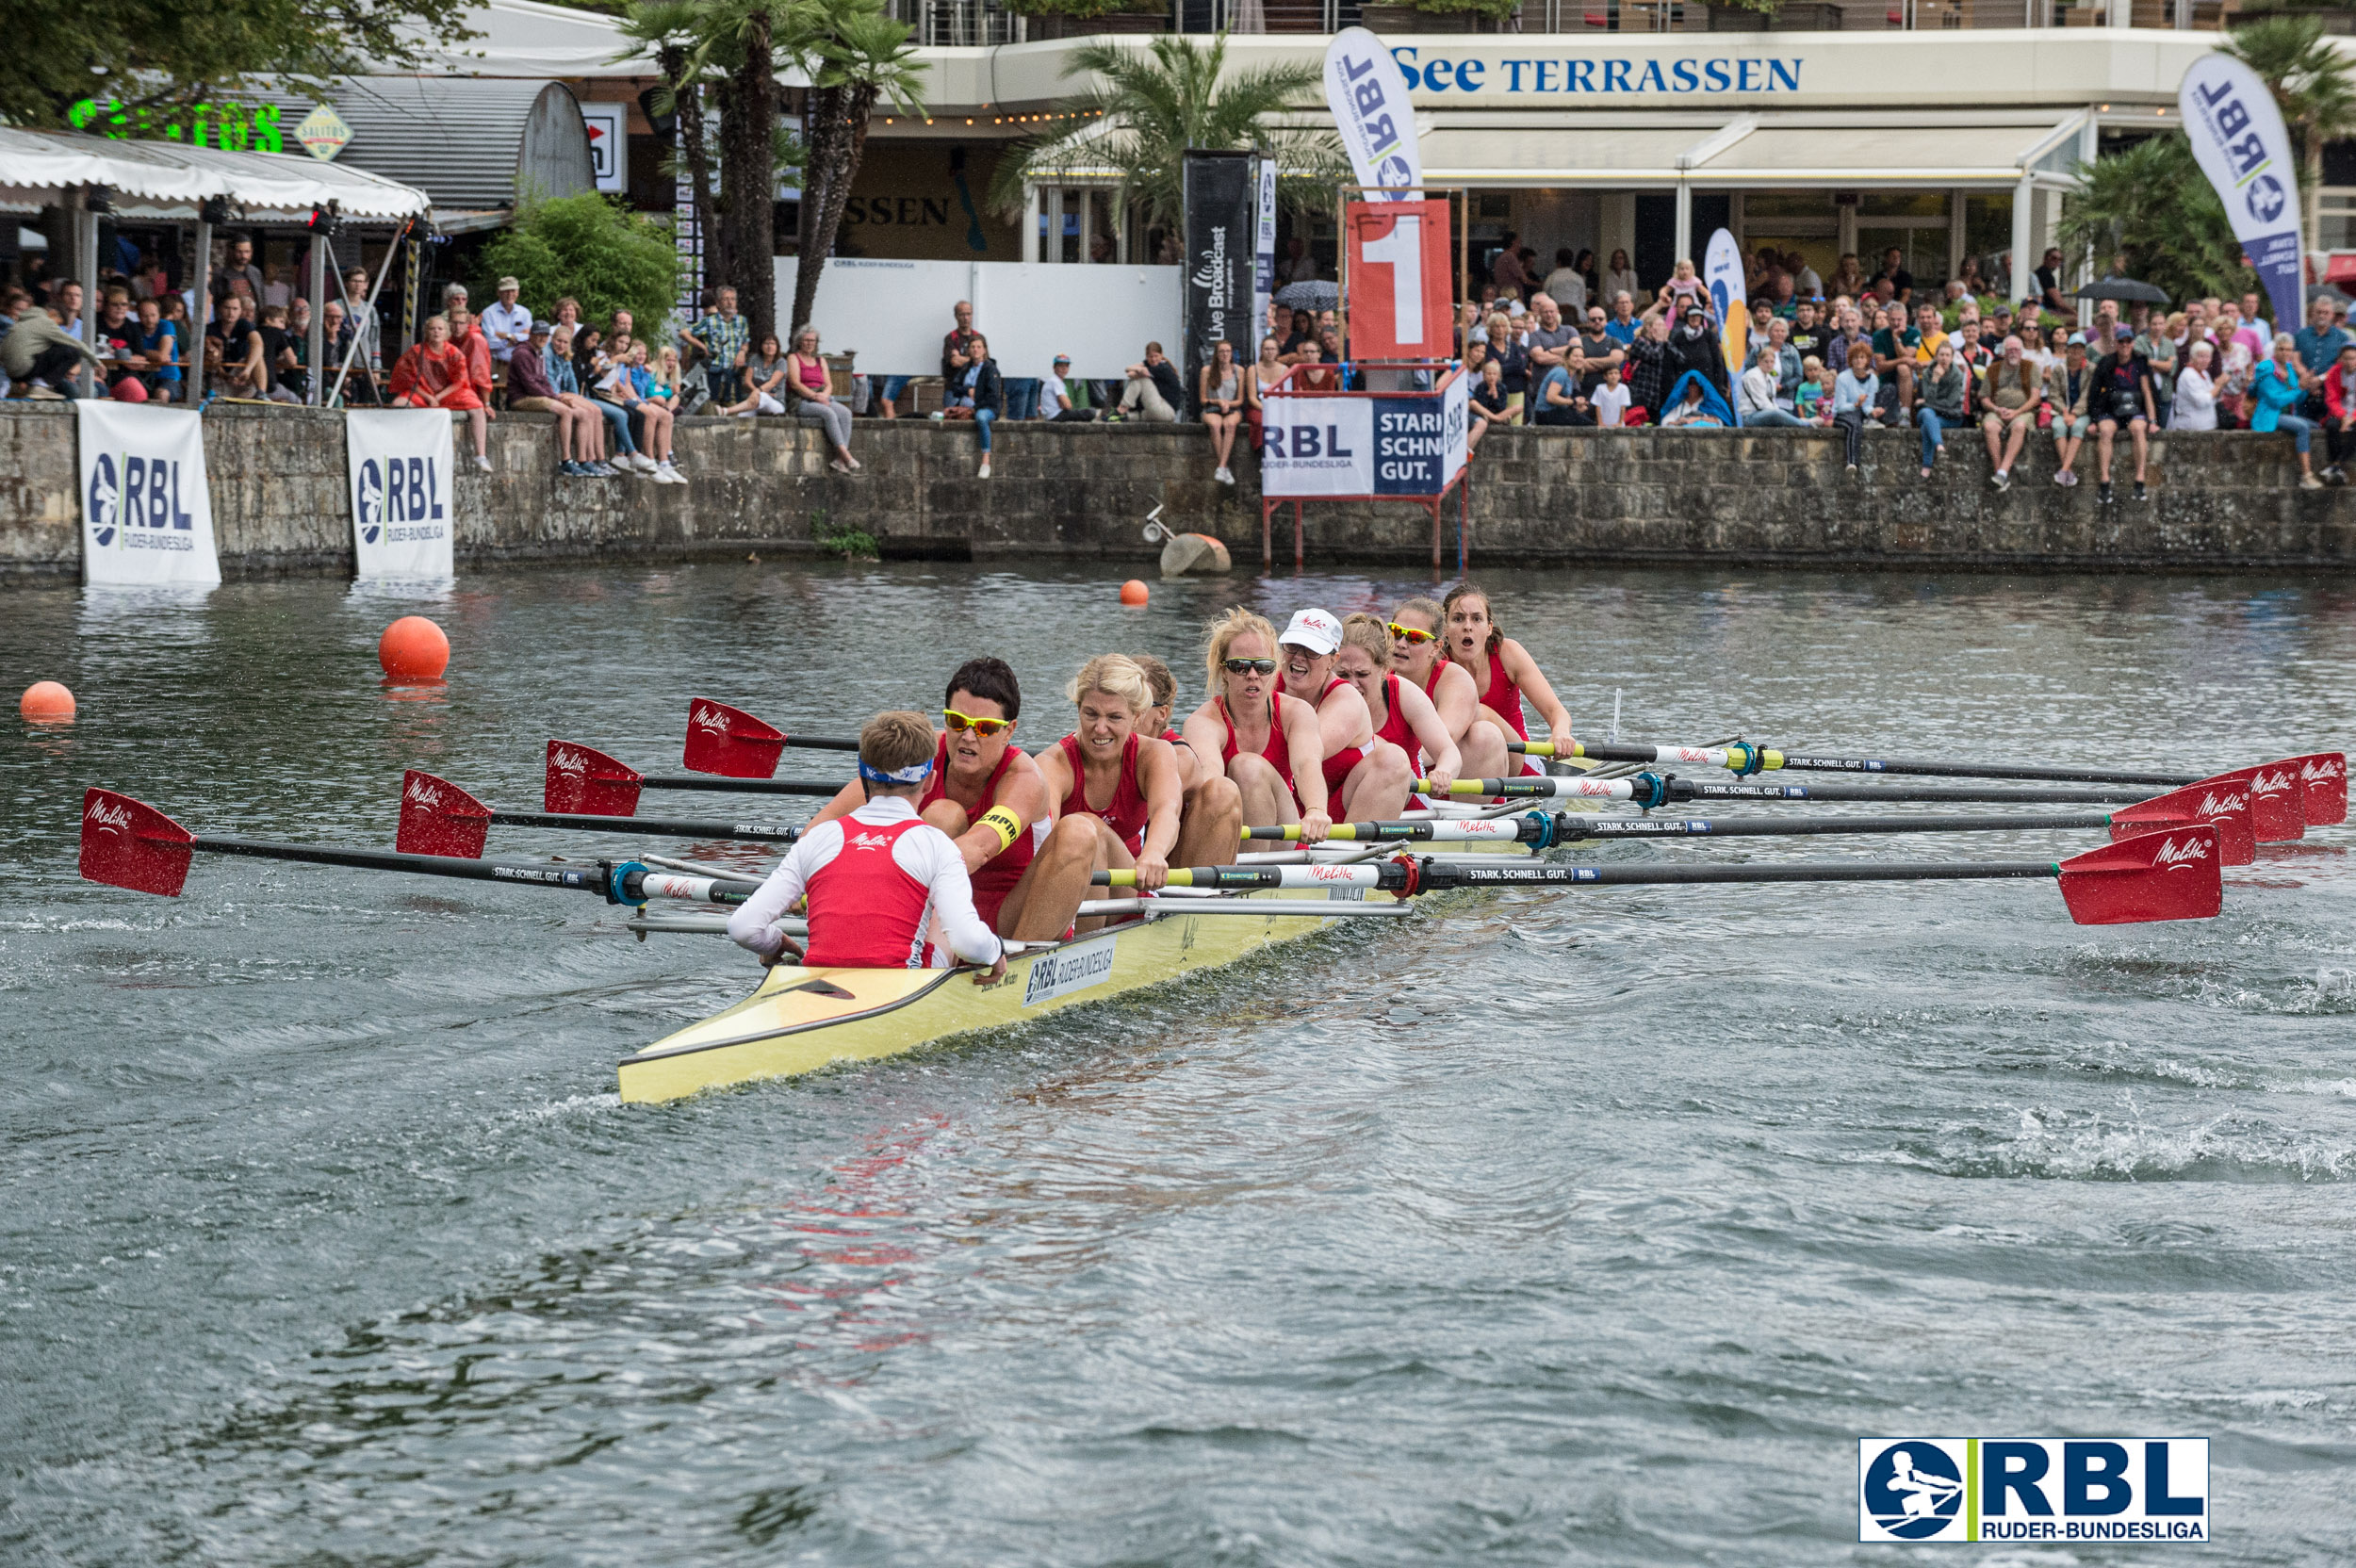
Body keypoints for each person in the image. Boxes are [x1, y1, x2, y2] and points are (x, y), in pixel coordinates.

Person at [726, 710, 1006, 982]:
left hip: (817, 981)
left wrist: (775, 945)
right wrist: (996, 953)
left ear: (863, 778)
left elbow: (742, 928)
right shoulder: (938, 847)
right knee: (938, 905)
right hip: (901, 989)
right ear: (930, 781)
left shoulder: (818, 838)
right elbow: (967, 940)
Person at [1030, 656, 1186, 922]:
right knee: (1084, 831)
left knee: (1091, 829)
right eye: (1090, 714)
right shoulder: (1052, 764)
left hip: (1132, 891)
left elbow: (1167, 810)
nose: (1100, 728)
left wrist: (1154, 853)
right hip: (1070, 895)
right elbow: (1044, 843)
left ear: (1136, 717)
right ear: (1078, 708)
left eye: (1114, 717)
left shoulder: (1155, 754)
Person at [1181, 609, 1332, 839]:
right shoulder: (1203, 722)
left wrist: (1316, 810)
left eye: (1263, 667)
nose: (1252, 675)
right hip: (1227, 833)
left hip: (1283, 833)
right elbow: (1211, 779)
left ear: (1274, 670)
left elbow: (1306, 765)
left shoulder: (1297, 713)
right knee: (1244, 768)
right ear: (1223, 670)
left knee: (1248, 767)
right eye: (1240, 666)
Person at [1272, 608, 1415, 822]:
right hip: (1286, 810)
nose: (1299, 657)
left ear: (1332, 660)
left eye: (1312, 650)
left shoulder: (1346, 700)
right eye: (1293, 646)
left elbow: (1304, 757)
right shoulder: (1263, 681)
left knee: (1393, 759)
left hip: (1336, 818)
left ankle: (1354, 853)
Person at [1437, 582, 1575, 771]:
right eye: (1458, 619)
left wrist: (1560, 732)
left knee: (1477, 712)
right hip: (1454, 765)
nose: (1467, 627)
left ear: (1489, 628)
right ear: (1444, 628)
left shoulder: (1508, 654)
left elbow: (1556, 712)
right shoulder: (1433, 661)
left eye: (1477, 619)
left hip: (1517, 765)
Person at [1336, 614, 1460, 805]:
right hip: (1339, 803)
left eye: (1362, 674)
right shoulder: (1321, 692)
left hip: (1408, 809)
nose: (1352, 685)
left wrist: (1443, 771)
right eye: (1343, 674)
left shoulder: (1404, 694)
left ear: (1385, 669)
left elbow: (1449, 751)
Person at [1387, 596, 1512, 783]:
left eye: (1415, 637)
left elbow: (1442, 742)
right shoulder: (1370, 672)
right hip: (1411, 773)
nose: (1401, 643)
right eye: (1396, 632)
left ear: (1436, 647)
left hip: (1459, 776)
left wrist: (1390, 764)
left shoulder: (1454, 679)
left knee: (1485, 735)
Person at [388, 316, 491, 467]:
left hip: (449, 393)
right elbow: (407, 379)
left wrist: (438, 396)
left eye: (440, 329)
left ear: (446, 332)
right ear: (427, 332)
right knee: (399, 404)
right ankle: (400, 447)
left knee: (477, 407)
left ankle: (480, 455)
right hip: (423, 392)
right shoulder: (416, 351)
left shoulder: (454, 352)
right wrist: (429, 397)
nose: (436, 332)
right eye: (432, 328)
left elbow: (459, 381)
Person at [509, 320, 598, 480]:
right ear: (531, 335)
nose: (542, 338)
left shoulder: (539, 352)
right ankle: (565, 460)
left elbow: (544, 380)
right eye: (539, 335)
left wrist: (556, 396)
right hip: (521, 398)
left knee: (583, 413)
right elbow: (530, 385)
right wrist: (556, 398)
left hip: (537, 395)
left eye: (545, 335)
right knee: (565, 411)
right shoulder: (522, 353)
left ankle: (584, 460)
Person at [2086, 323, 2157, 504]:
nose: (2125, 345)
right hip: (2111, 408)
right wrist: (2094, 419)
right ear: (2116, 344)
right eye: (2121, 342)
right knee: (2106, 431)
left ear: (2133, 343)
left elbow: (2147, 390)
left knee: (2139, 429)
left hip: (2135, 408)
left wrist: (2153, 419)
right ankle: (2104, 481)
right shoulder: (2106, 362)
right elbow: (2094, 392)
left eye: (2128, 341)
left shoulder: (2140, 361)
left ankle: (2139, 479)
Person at [2250, 334, 2320, 489]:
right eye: (2281, 349)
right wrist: (2299, 389)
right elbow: (2276, 400)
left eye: (2288, 350)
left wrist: (2305, 387)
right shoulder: (2266, 367)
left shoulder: (2289, 367)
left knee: (2316, 426)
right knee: (2302, 427)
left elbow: (2297, 399)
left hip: (2288, 413)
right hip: (2270, 414)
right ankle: (2306, 475)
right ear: (2275, 349)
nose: (2285, 353)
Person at [788, 325, 860, 475]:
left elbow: (828, 384)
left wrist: (823, 396)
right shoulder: (793, 358)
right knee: (828, 414)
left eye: (812, 341)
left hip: (822, 398)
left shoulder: (821, 360)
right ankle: (845, 455)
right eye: (806, 340)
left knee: (845, 413)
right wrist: (814, 397)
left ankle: (839, 461)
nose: (809, 343)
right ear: (799, 341)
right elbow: (795, 383)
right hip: (802, 400)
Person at [1, 291, 103, 398]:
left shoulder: (21, 324)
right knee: (72, 351)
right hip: (24, 369)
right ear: (53, 314)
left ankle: (32, 385)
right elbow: (75, 344)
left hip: (11, 373)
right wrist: (96, 363)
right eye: (58, 323)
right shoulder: (45, 322)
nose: (57, 327)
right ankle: (41, 386)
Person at [1978, 337, 2039, 491]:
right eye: (2010, 350)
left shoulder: (2030, 367)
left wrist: (2017, 412)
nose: (2013, 353)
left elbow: (2035, 397)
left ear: (2021, 351)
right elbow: (1984, 398)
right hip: (1998, 410)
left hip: (2022, 411)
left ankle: (2003, 471)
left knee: (2019, 426)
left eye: (2016, 349)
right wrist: (1996, 409)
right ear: (2003, 352)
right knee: (1989, 426)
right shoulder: (1993, 369)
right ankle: (2000, 473)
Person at [685, 286, 749, 409]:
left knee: (732, 413)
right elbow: (684, 333)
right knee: (709, 414)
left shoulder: (741, 322)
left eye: (733, 299)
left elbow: (745, 342)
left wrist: (742, 351)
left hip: (730, 376)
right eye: (726, 299)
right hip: (710, 374)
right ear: (718, 303)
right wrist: (703, 346)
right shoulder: (709, 321)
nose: (730, 302)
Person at [2045, 335, 2093, 488]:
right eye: (2072, 347)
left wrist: (2075, 413)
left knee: (2078, 427)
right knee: (2058, 427)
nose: (2075, 351)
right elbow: (2053, 394)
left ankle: (2064, 469)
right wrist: (2065, 412)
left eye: (2079, 348)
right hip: (2063, 411)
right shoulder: (2059, 369)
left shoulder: (2091, 369)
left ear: (2084, 350)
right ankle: (2068, 471)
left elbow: (2088, 394)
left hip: (2082, 412)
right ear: (2068, 349)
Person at [1916, 340, 1967, 481]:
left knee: (1928, 423)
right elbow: (1929, 398)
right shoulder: (1928, 373)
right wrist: (1935, 379)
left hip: (1949, 416)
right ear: (1936, 357)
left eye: (1947, 355)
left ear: (1952, 358)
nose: (1944, 358)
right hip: (1929, 413)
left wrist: (1927, 403)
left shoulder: (1957, 375)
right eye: (1941, 355)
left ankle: (1926, 466)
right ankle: (1939, 447)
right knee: (1926, 414)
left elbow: (1951, 403)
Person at [1199, 337, 1245, 483]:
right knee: (1215, 425)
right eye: (1222, 352)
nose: (1225, 354)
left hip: (1232, 407)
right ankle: (1224, 467)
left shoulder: (1239, 370)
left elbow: (1240, 400)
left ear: (1232, 354)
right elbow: (1203, 399)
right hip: (1212, 407)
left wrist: (1228, 404)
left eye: (1228, 351)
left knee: (1230, 425)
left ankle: (1222, 467)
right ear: (1217, 354)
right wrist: (1218, 401)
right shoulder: (1207, 371)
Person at [1830, 341, 1878, 472]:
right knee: (1854, 425)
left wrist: (1872, 411)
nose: (1858, 360)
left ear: (1867, 360)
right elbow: (1840, 406)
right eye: (1855, 357)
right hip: (1843, 414)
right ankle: (1852, 462)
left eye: (1862, 357)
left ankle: (1872, 420)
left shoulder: (1873, 379)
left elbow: (1868, 404)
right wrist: (1856, 405)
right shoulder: (1843, 377)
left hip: (1860, 413)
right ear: (1851, 360)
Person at [1114, 341, 1184, 422]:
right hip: (1159, 413)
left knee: (1142, 379)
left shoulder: (1163, 368)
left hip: (1166, 411)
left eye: (1156, 356)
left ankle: (1122, 408)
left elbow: (1132, 374)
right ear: (1146, 357)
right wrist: (1140, 369)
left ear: (1161, 355)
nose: (1153, 359)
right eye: (1151, 357)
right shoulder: (1150, 365)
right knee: (1129, 417)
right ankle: (1121, 416)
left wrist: (1140, 369)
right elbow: (1128, 371)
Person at [727, 332, 791, 417]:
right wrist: (756, 392)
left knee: (763, 396)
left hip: (776, 403)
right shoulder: (755, 359)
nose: (769, 346)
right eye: (766, 343)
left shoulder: (781, 362)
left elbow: (773, 383)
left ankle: (727, 410)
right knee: (741, 416)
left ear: (777, 347)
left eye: (772, 344)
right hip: (755, 401)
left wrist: (758, 392)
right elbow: (747, 381)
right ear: (761, 346)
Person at [480, 277, 532, 376]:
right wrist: (514, 338)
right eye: (506, 291)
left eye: (513, 290)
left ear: (518, 292)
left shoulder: (525, 313)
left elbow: (530, 338)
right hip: (496, 364)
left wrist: (506, 336)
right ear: (498, 293)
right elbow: (490, 342)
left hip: (520, 364)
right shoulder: (488, 313)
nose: (510, 294)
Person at [2321, 340, 2356, 483]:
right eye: (2346, 358)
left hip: (2354, 414)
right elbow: (2331, 398)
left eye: (2353, 358)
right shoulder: (2334, 372)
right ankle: (2337, 466)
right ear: (2340, 359)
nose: (2349, 362)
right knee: (2331, 426)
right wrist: (2343, 417)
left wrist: (2351, 418)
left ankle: (2336, 464)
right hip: (2338, 412)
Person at [2172, 339, 2219, 434]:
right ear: (2192, 358)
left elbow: (2213, 399)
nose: (2204, 360)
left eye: (2207, 357)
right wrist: (2218, 386)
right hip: (2192, 427)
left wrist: (2214, 391)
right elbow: (2203, 401)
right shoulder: (2189, 375)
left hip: (2206, 425)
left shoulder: (2204, 373)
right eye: (2201, 356)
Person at [1466, 355, 1513, 450]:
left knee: (1518, 407)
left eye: (1494, 374)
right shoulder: (1480, 387)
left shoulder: (1502, 387)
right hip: (1485, 414)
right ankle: (1498, 419)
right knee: (1473, 403)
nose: (1491, 376)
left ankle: (1498, 419)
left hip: (1498, 413)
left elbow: (1502, 407)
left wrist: (1495, 396)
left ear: (1498, 376)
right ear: (1484, 376)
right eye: (1489, 374)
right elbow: (1480, 405)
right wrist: (1488, 394)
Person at [1042, 352, 1093, 422]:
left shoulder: (1055, 381)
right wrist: (1066, 404)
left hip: (1052, 415)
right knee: (1090, 412)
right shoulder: (1055, 381)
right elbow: (1067, 405)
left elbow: (1063, 404)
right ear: (1054, 367)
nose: (1064, 368)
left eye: (1066, 366)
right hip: (1055, 415)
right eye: (1061, 366)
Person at [1543, 249, 1588, 313]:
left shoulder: (1551, 278)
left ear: (1558, 262)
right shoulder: (1578, 278)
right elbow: (1583, 301)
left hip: (1556, 315)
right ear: (1571, 262)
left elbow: (1546, 298)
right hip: (1577, 317)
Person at [1590, 361, 1631, 428]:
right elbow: (1598, 407)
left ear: (1620, 376)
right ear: (1605, 376)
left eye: (1616, 373)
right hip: (1604, 425)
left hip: (1618, 425)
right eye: (1610, 373)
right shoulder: (1600, 388)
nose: (1613, 376)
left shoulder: (1623, 389)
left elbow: (1623, 407)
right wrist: (1600, 423)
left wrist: (1620, 423)